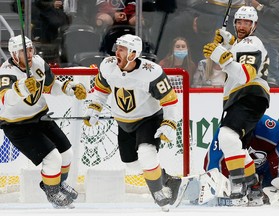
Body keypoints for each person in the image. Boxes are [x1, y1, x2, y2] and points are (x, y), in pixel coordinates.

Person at [83, 34, 181, 211]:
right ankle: (167, 179)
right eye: (117, 48)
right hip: (123, 122)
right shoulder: (107, 66)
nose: (116, 52)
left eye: (121, 49)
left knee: (146, 152)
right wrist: (94, 108)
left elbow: (169, 100)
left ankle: (160, 195)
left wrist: (169, 123)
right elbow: (101, 91)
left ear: (133, 53)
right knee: (132, 165)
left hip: (148, 119)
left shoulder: (152, 72)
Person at [0, 35, 87, 208]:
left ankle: (57, 184)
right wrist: (21, 88)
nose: (29, 53)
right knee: (52, 158)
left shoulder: (39, 63)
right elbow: (5, 99)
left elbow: (50, 85)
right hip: (17, 125)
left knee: (66, 154)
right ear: (14, 54)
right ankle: (53, 193)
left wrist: (68, 89)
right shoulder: (6, 71)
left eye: (30, 49)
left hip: (40, 116)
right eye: (24, 51)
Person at [203, 6, 270, 205]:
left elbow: (246, 74)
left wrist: (222, 56)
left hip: (250, 94)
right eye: (239, 22)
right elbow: (237, 53)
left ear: (254, 25)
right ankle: (254, 186)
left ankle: (238, 183)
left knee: (226, 136)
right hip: (238, 99)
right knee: (236, 147)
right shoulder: (241, 43)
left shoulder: (253, 42)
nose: (242, 26)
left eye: (247, 23)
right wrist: (228, 43)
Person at [203, 114, 279, 206]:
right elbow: (215, 162)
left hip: (264, 171)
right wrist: (214, 184)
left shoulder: (270, 129)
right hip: (237, 173)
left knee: (276, 192)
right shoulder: (227, 130)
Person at [250, 0, 279, 87]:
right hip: (259, 35)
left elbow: (276, 13)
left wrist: (259, 7)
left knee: (272, 69)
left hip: (270, 37)